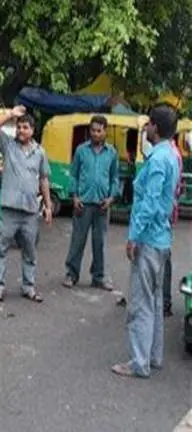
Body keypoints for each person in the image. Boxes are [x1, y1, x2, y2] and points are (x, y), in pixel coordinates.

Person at [111, 104, 180, 379]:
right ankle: (153, 355)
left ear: (156, 127)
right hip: (161, 238)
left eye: (148, 124)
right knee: (153, 300)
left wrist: (134, 237)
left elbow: (149, 203)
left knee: (140, 302)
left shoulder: (160, 159)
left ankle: (139, 362)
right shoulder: (169, 155)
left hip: (149, 238)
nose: (145, 128)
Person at [0, 105, 54, 303]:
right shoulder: (8, 146)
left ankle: (28, 287)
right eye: (19, 127)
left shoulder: (40, 152)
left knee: (30, 251)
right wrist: (10, 114)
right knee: (1, 249)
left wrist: (48, 206)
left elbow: (43, 180)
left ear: (33, 130)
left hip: (30, 211)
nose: (21, 131)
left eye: (25, 127)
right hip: (9, 209)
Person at [62, 115, 119, 291]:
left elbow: (114, 178)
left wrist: (111, 198)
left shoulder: (112, 153)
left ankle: (99, 277)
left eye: (99, 130)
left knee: (99, 242)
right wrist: (74, 197)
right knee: (77, 241)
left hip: (102, 205)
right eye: (93, 130)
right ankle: (71, 274)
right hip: (83, 204)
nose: (95, 134)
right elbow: (73, 174)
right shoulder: (81, 150)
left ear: (105, 131)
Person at [161, 136, 183, 317]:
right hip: (166, 213)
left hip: (162, 216)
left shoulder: (168, 155)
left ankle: (164, 301)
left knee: (162, 257)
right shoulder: (172, 154)